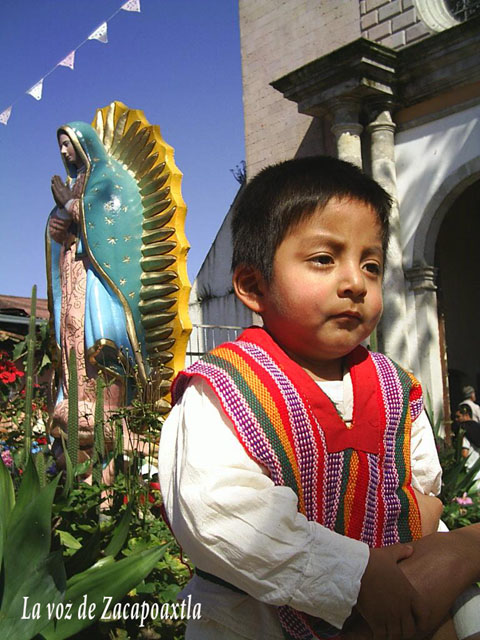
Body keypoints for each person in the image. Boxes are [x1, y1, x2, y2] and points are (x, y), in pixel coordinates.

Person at [159, 156, 480, 640]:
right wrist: (354, 572)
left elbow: (423, 485)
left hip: (396, 592)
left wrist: (421, 516)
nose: (355, 282)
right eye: (324, 259)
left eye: (370, 265)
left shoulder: (394, 386)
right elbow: (219, 514)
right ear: (252, 285)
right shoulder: (227, 387)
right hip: (253, 620)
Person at [46, 122, 144, 470]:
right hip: (72, 275)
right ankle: (75, 399)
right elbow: (62, 226)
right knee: (70, 335)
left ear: (83, 143)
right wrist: (57, 222)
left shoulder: (106, 180)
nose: (62, 151)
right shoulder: (75, 185)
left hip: (98, 278)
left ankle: (106, 408)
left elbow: (110, 217)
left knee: (97, 337)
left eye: (67, 144)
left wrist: (71, 205)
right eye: (59, 146)